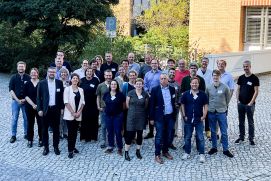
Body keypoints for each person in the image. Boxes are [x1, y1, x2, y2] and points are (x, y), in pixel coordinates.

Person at [150, 73, 177, 164]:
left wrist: (174, 115)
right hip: (159, 117)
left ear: (167, 79)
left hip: (170, 116)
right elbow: (152, 105)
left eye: (164, 78)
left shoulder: (172, 89)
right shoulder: (154, 90)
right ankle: (157, 154)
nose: (163, 80)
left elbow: (173, 102)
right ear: (159, 80)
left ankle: (165, 151)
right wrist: (151, 118)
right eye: (161, 79)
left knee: (168, 135)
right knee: (159, 135)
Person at [206, 70, 234, 158]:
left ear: (220, 76)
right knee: (213, 131)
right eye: (214, 76)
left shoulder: (225, 87)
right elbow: (207, 99)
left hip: (222, 112)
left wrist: (223, 107)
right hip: (211, 112)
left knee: (224, 131)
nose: (215, 77)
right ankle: (214, 147)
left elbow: (228, 99)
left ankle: (225, 149)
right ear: (212, 76)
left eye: (217, 76)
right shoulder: (208, 87)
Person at [37, 67, 64, 156]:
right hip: (45, 110)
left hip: (56, 109)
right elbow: (38, 98)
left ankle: (56, 146)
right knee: (44, 129)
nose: (52, 73)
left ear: (55, 73)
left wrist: (62, 108)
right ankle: (46, 147)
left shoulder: (59, 83)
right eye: (50, 72)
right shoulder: (42, 83)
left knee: (56, 129)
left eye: (53, 72)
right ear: (47, 73)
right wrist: (39, 109)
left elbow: (61, 97)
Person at [180, 77, 208, 163]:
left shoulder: (203, 94)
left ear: (198, 84)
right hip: (188, 119)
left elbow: (206, 106)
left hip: (198, 119)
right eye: (193, 83)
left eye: (196, 83)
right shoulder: (185, 94)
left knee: (200, 137)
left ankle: (201, 154)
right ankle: (187, 152)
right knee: (187, 137)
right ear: (190, 84)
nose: (194, 84)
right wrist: (184, 115)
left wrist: (204, 116)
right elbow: (182, 105)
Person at [235, 60, 259, 145]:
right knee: (241, 121)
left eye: (247, 66)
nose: (245, 68)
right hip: (241, 103)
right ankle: (241, 137)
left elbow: (256, 91)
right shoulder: (241, 78)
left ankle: (251, 138)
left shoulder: (254, 78)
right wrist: (237, 100)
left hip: (250, 104)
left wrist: (251, 102)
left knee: (250, 122)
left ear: (250, 66)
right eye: (244, 66)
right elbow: (238, 89)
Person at [124, 78, 149, 161]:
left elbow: (146, 106)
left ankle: (138, 150)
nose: (138, 85)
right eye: (137, 83)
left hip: (141, 117)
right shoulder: (130, 93)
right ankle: (126, 152)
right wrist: (133, 110)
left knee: (139, 134)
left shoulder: (145, 94)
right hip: (131, 116)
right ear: (134, 85)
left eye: (140, 84)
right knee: (129, 135)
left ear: (142, 85)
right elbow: (127, 105)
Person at [63, 73, 85, 158]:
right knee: (71, 132)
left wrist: (79, 112)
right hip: (70, 114)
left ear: (78, 80)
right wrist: (73, 113)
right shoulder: (67, 89)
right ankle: (70, 150)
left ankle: (73, 146)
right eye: (74, 78)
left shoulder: (81, 90)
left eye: (76, 78)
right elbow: (66, 102)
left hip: (78, 114)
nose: (75, 79)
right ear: (71, 80)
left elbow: (83, 102)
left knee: (75, 132)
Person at [9, 61, 31, 143]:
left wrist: (25, 99)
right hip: (15, 101)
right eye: (19, 66)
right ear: (17, 67)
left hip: (26, 102)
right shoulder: (13, 78)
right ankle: (13, 135)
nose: (21, 68)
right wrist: (18, 100)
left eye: (22, 66)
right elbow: (11, 90)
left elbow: (30, 90)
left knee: (26, 118)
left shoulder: (28, 77)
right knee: (14, 118)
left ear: (25, 67)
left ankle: (26, 134)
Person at [103, 80, 126, 155]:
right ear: (110, 86)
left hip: (118, 116)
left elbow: (124, 105)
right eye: (112, 84)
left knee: (118, 131)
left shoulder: (121, 95)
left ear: (117, 86)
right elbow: (105, 102)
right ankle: (110, 146)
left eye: (115, 84)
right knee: (109, 131)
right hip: (108, 116)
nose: (113, 85)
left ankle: (120, 147)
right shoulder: (106, 94)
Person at [144, 59, 162, 139]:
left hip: (158, 96)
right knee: (150, 113)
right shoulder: (147, 74)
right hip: (149, 95)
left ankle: (159, 131)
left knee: (158, 112)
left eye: (155, 63)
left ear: (158, 64)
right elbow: (144, 84)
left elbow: (163, 84)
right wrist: (147, 92)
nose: (154, 64)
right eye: (152, 63)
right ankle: (151, 132)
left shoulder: (161, 74)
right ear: (150, 64)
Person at [80, 68, 100, 142]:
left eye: (90, 72)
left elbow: (98, 92)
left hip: (93, 104)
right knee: (84, 120)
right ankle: (84, 137)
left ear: (92, 73)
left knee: (94, 120)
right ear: (85, 72)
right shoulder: (81, 80)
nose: (89, 73)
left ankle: (93, 137)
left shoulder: (96, 80)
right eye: (88, 71)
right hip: (84, 104)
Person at [24, 68, 42, 148]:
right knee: (30, 123)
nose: (33, 74)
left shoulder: (41, 83)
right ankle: (30, 140)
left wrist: (38, 105)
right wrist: (33, 105)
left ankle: (41, 139)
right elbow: (26, 96)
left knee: (40, 124)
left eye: (35, 73)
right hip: (29, 106)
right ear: (30, 74)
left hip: (39, 107)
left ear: (37, 74)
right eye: (32, 73)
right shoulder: (27, 83)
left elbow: (43, 96)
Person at [96, 69, 112, 148]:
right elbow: (98, 96)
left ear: (111, 75)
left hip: (113, 109)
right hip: (103, 109)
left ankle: (111, 140)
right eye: (107, 75)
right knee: (103, 125)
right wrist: (98, 106)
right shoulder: (100, 85)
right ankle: (103, 140)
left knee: (111, 125)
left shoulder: (114, 84)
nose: (108, 77)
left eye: (110, 75)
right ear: (104, 76)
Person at [197, 57, 213, 138]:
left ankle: (207, 130)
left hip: (207, 94)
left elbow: (211, 83)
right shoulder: (197, 71)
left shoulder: (210, 72)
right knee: (198, 111)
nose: (204, 63)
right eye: (203, 61)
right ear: (201, 62)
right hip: (198, 94)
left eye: (206, 62)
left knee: (207, 112)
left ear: (208, 63)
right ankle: (198, 129)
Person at [168, 68, 180, 150]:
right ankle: (164, 142)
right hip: (166, 108)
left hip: (174, 108)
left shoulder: (177, 84)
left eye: (173, 72)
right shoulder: (165, 83)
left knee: (172, 126)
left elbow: (180, 95)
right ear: (168, 73)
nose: (172, 73)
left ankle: (170, 142)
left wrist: (178, 103)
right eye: (170, 72)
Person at [59, 67, 70, 139]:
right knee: (60, 119)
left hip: (67, 103)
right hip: (60, 102)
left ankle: (65, 132)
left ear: (67, 74)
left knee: (66, 118)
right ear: (60, 74)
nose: (63, 74)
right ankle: (59, 133)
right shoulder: (57, 82)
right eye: (62, 73)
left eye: (64, 73)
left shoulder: (69, 82)